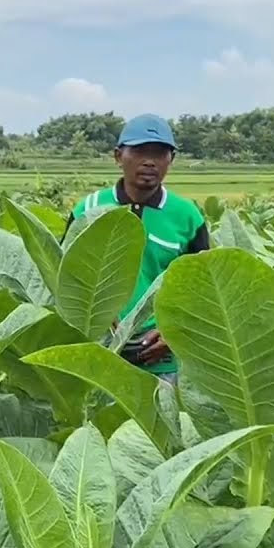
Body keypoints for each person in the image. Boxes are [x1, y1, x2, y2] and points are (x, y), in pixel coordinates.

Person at [64, 113, 209, 384]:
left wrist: (174, 333)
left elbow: (202, 288)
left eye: (159, 153)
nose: (149, 161)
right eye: (140, 151)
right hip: (98, 348)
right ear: (118, 156)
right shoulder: (88, 209)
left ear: (171, 159)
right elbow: (64, 278)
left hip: (161, 356)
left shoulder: (187, 216)